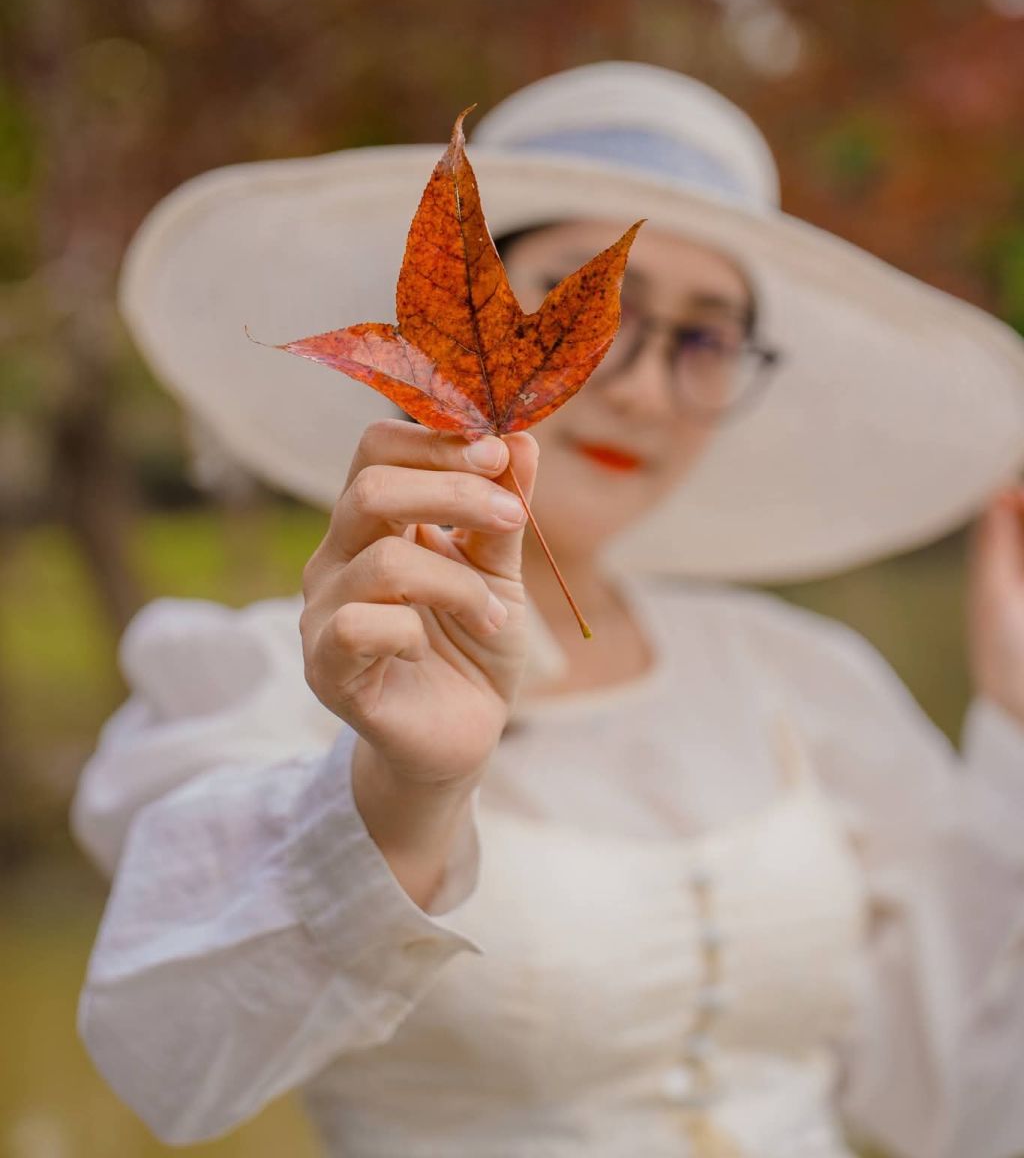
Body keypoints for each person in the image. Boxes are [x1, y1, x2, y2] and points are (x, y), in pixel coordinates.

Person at [71, 62, 1024, 1158]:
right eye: (595, 306)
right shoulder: (289, 680)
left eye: (705, 339)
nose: (642, 387)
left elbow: (953, 1096)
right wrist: (399, 797)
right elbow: (171, 1061)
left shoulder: (802, 681)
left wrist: (1013, 717)